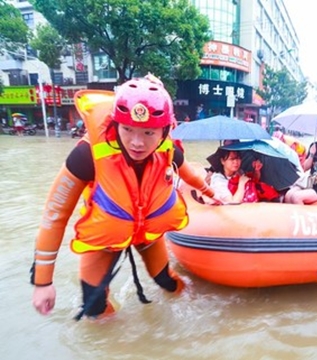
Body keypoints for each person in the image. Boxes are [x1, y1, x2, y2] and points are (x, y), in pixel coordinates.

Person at [30, 75, 218, 320]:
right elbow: (55, 216)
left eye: (149, 132)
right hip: (104, 241)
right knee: (94, 309)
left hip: (148, 235)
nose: (137, 142)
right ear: (115, 124)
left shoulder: (169, 149)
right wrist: (43, 282)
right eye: (127, 129)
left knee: (167, 282)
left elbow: (191, 176)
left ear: (164, 131)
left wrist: (212, 196)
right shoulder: (87, 155)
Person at [208, 148, 279, 204]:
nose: (236, 162)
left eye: (238, 158)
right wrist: (241, 183)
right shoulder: (218, 180)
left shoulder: (239, 172)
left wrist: (256, 170)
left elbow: (252, 182)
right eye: (232, 159)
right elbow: (232, 203)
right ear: (222, 161)